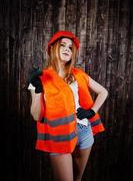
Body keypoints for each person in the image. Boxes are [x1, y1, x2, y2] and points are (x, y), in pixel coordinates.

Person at [28, 30, 108, 181]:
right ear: (52, 48)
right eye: (62, 45)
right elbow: (36, 115)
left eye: (70, 48)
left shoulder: (77, 74)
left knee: (78, 178)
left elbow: (103, 92)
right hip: (60, 136)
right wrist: (38, 90)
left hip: (84, 131)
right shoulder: (39, 78)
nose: (66, 49)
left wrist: (91, 112)